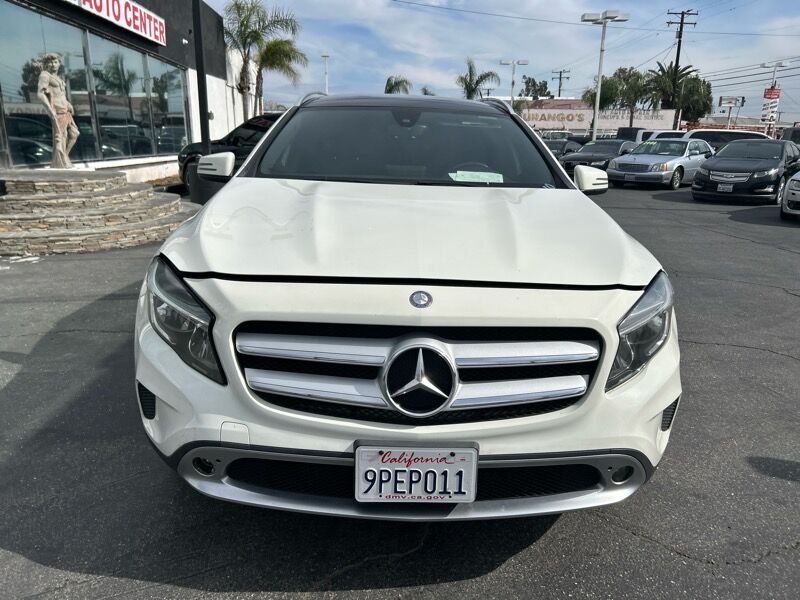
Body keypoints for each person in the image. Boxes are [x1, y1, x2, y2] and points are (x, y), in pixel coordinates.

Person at [37, 53, 79, 168]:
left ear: (59, 64)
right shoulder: (45, 75)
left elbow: (61, 95)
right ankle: (60, 161)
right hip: (57, 111)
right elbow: (40, 94)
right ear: (46, 64)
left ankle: (64, 156)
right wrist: (50, 110)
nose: (53, 64)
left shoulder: (58, 78)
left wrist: (69, 104)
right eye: (50, 62)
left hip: (65, 110)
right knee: (60, 137)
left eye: (55, 62)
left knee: (74, 134)